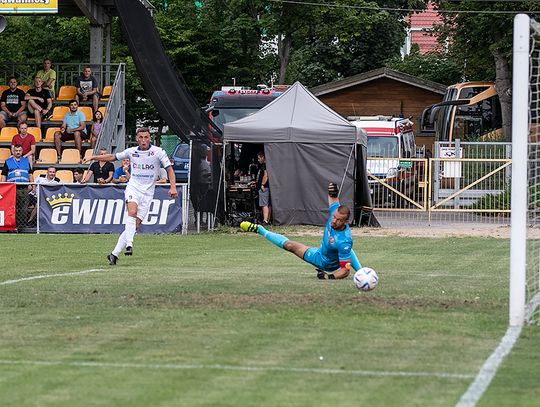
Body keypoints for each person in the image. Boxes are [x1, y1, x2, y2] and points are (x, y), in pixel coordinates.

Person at [82, 127, 177, 265]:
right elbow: (112, 157)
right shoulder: (131, 151)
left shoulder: (158, 152)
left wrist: (173, 187)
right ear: (137, 138)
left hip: (148, 192)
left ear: (149, 138)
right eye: (141, 137)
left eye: (146, 137)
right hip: (133, 187)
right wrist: (93, 157)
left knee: (135, 225)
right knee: (131, 213)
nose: (143, 140)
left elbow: (170, 170)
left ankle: (114, 254)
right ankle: (129, 245)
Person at [240, 182, 362, 280]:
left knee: (345, 248)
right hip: (319, 252)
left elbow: (345, 270)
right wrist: (332, 190)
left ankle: (362, 272)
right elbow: (334, 199)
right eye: (334, 217)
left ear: (345, 222)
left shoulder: (344, 240)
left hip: (326, 264)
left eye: (338, 220)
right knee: (289, 245)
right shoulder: (335, 213)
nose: (334, 221)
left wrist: (329, 276)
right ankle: (260, 229)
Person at [1, 144, 33, 228]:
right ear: (13, 151)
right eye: (16, 151)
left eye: (19, 151)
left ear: (22, 151)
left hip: (24, 188)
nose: (18, 152)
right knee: (12, 208)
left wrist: (33, 185)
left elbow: (30, 174)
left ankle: (21, 226)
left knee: (24, 208)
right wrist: (2, 189)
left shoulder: (26, 161)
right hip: (11, 189)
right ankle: (12, 225)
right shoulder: (8, 161)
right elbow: (4, 176)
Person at [255, 150, 271, 224]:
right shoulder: (266, 165)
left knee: (264, 204)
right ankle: (268, 219)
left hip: (264, 188)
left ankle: (265, 220)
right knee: (268, 204)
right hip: (266, 187)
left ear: (263, 157)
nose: (258, 160)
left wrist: (262, 184)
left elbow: (266, 175)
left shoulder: (264, 165)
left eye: (259, 158)